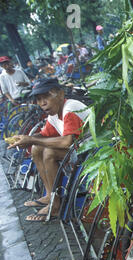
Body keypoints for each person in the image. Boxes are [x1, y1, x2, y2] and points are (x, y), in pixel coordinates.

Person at [7, 78, 90, 222]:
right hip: (78, 150)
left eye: (46, 97)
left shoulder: (70, 108)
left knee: (49, 152)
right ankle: (50, 195)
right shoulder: (54, 115)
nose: (42, 103)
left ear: (60, 95)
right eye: (39, 99)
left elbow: (66, 142)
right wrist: (25, 138)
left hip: (92, 152)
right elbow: (44, 135)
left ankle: (56, 205)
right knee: (37, 148)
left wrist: (31, 139)